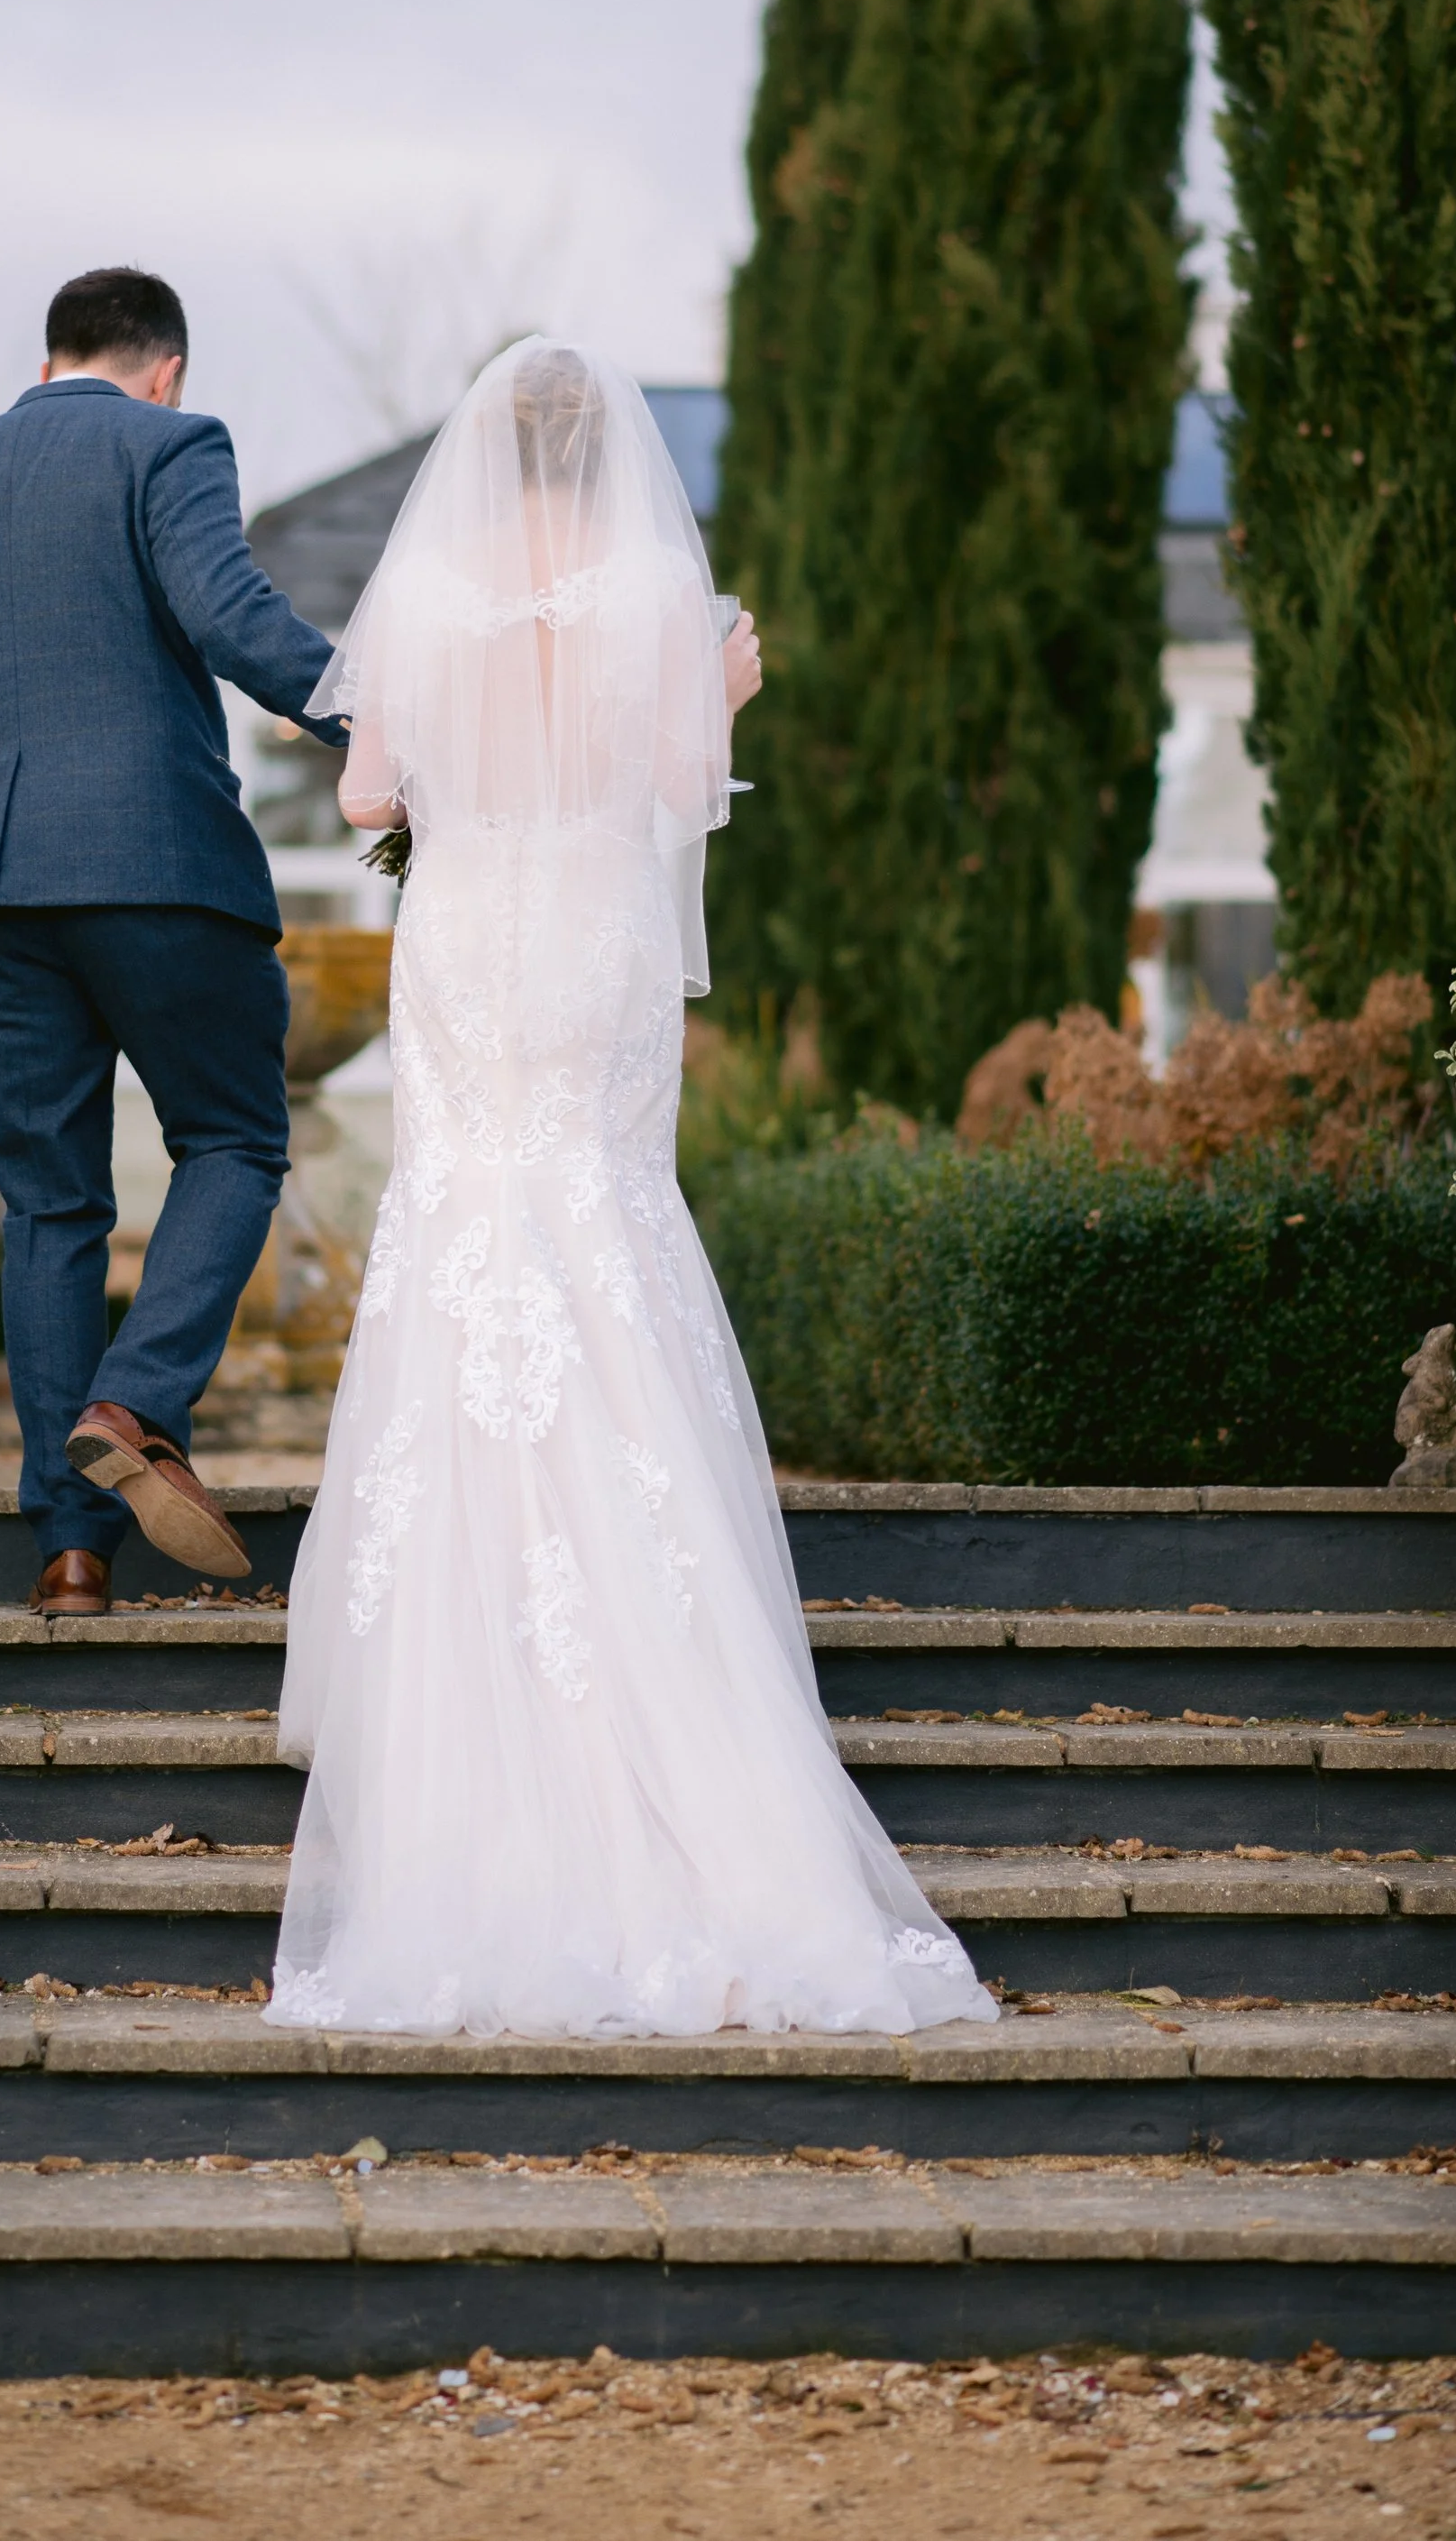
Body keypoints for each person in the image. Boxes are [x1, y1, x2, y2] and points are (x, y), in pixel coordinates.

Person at [270, 337, 996, 2038]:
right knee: (594, 1212)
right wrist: (719, 695)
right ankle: (663, 1636)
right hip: (595, 925)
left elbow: (371, 791)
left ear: (483, 451)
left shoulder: (428, 585)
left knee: (466, 1220)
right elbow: (684, 796)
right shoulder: (665, 596)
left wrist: (467, 767)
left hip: (467, 929)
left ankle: (452, 1660)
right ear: (611, 457)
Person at [0, 266, 345, 1613]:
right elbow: (236, 622)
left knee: (50, 1205)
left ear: (53, 355)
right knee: (233, 1137)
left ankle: (69, 1552)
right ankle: (136, 1402)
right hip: (165, 867)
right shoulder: (170, 444)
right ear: (163, 368)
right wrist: (385, 716)